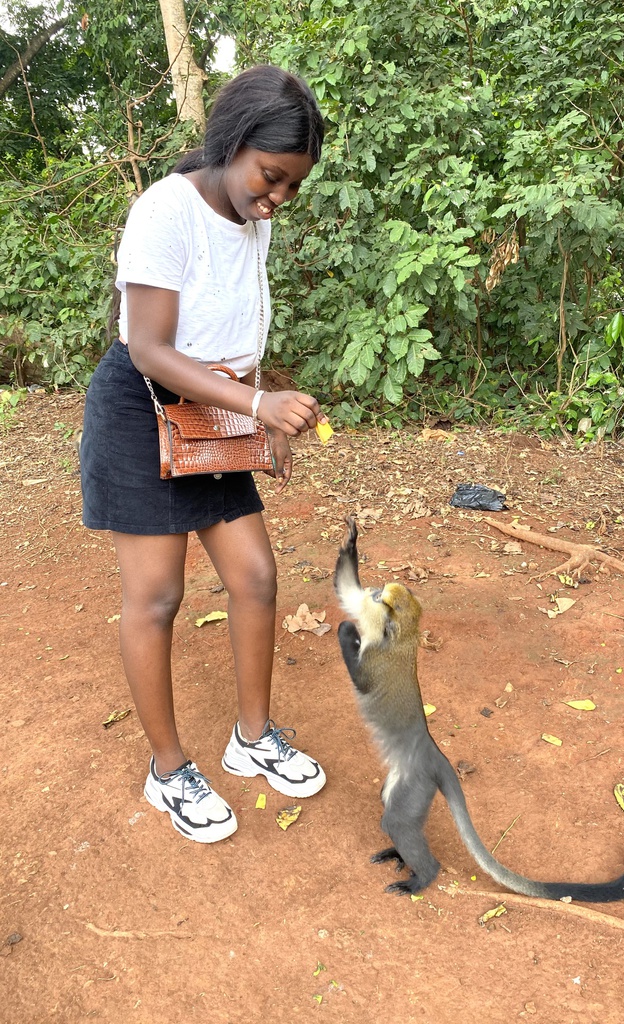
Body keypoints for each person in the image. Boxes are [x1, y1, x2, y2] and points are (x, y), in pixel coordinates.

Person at [80, 65, 328, 844]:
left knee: (255, 576)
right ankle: (168, 772)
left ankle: (251, 740)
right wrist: (256, 404)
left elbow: (236, 337)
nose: (278, 199)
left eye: (291, 187)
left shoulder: (251, 220)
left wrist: (263, 428)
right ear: (236, 142)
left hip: (215, 408)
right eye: (271, 177)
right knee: (156, 598)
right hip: (140, 409)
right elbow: (150, 349)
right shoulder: (165, 211)